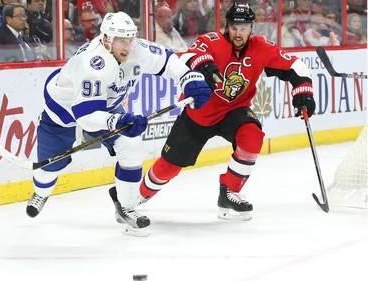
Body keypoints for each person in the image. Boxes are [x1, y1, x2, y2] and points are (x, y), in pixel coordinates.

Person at [122, 2, 316, 235]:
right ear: (227, 26)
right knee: (169, 167)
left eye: (243, 28)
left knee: (253, 137)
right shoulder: (211, 41)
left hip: (235, 110)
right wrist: (204, 67)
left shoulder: (261, 47)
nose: (238, 32)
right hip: (199, 112)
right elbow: (188, 57)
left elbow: (295, 66)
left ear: (252, 28)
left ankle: (229, 193)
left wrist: (303, 92)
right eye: (234, 27)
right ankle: (137, 197)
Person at [26, 11, 212, 237]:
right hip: (63, 111)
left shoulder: (135, 48)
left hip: (106, 106)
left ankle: (126, 207)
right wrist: (118, 120)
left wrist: (188, 78)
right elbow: (86, 115)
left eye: (129, 39)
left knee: (131, 146)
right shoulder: (92, 64)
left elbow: (167, 60)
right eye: (120, 41)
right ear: (105, 40)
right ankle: (40, 192)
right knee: (49, 168)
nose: (127, 46)